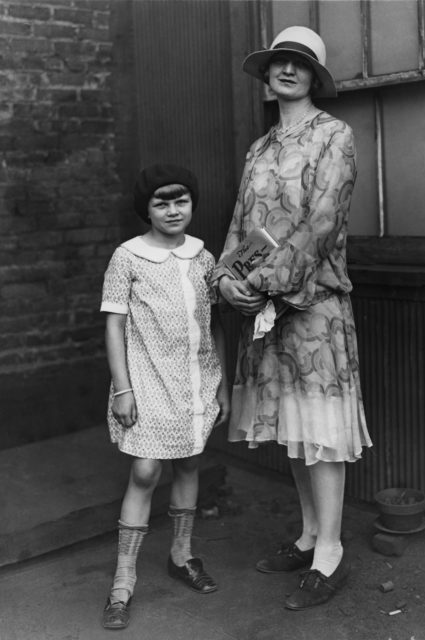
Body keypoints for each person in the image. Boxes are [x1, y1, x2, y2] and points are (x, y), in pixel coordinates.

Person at [212, 26, 372, 611]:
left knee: (322, 430)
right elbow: (239, 225)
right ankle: (308, 536)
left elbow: (322, 221)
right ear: (267, 74)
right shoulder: (260, 148)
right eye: (279, 62)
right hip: (263, 307)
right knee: (293, 427)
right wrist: (227, 280)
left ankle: (330, 552)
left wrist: (262, 283)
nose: (287, 70)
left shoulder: (336, 136)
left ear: (314, 78)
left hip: (313, 303)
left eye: (299, 64)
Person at [100, 163, 230, 630]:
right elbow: (114, 325)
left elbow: (215, 322)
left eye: (181, 201)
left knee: (191, 461)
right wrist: (123, 388)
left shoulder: (204, 257)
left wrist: (223, 382)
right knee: (145, 468)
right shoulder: (128, 257)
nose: (173, 210)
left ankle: (182, 554)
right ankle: (123, 579)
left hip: (196, 377)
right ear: (147, 209)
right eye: (162, 202)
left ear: (192, 204)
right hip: (146, 377)